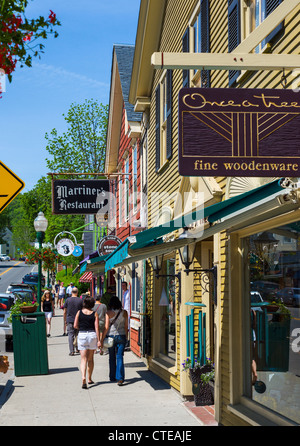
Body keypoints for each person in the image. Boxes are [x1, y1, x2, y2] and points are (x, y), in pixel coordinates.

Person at [74, 296, 101, 388]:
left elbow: (75, 325)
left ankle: (83, 377)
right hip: (92, 335)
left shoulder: (79, 312)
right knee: (90, 359)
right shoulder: (94, 313)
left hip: (82, 335)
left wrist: (80, 328)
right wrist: (99, 340)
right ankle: (89, 378)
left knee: (83, 359)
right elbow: (97, 328)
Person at [103, 295, 128, 386]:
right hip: (121, 336)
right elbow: (126, 326)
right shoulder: (124, 312)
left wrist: (102, 338)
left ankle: (112, 376)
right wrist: (127, 336)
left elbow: (106, 327)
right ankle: (120, 378)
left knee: (112, 357)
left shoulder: (108, 313)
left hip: (111, 337)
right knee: (120, 356)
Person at [63, 287, 83, 356]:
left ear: (71, 292)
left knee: (70, 335)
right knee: (77, 334)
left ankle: (72, 351)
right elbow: (82, 311)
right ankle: (78, 348)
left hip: (70, 319)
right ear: (77, 292)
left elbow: (65, 311)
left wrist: (65, 320)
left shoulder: (67, 300)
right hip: (78, 320)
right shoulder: (80, 300)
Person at [122, 282, 130, 348]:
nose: (123, 287)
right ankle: (126, 339)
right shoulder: (123, 293)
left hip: (128, 311)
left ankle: (127, 340)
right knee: (125, 326)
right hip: (124, 311)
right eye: (122, 285)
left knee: (127, 326)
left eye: (124, 285)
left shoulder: (129, 293)